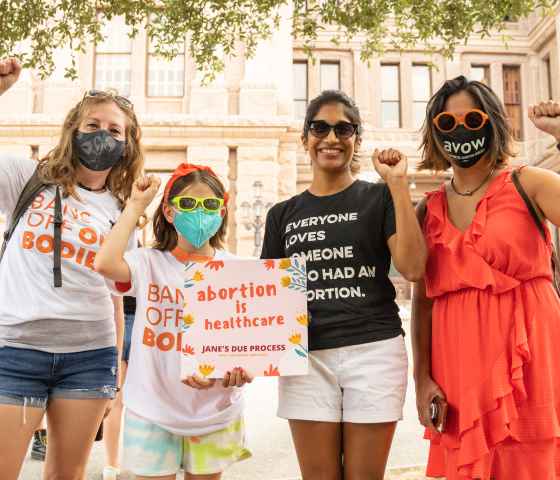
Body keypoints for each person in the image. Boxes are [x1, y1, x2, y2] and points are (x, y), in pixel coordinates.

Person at [260, 90, 427, 479]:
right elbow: (265, 303)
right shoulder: (281, 215)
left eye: (344, 129)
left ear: (356, 140)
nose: (331, 138)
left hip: (374, 352)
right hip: (307, 360)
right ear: (305, 139)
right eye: (320, 128)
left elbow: (414, 266)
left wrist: (399, 185)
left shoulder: (380, 197)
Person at [0, 57, 143, 480]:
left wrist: (116, 369)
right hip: (15, 350)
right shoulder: (26, 179)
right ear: (72, 132)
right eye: (93, 126)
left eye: (114, 130)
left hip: (89, 357)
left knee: (67, 474)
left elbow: (115, 296)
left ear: (127, 144)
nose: (103, 136)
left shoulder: (122, 210)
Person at [412, 75, 560, 479]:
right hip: (457, 361)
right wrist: (421, 378)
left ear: (493, 122)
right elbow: (421, 301)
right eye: (447, 122)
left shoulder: (529, 183)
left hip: (529, 352)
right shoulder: (428, 208)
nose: (460, 130)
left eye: (472, 120)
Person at [94, 163, 253, 480]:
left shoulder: (240, 272)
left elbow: (249, 347)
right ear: (168, 211)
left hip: (214, 413)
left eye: (209, 204)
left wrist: (239, 370)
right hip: (152, 412)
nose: (200, 212)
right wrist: (136, 206)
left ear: (222, 211)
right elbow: (105, 263)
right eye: (189, 204)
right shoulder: (147, 263)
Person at [102, 294, 136, 480]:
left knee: (116, 401)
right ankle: (150, 458)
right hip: (148, 320)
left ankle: (111, 464)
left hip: (116, 319)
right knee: (151, 397)